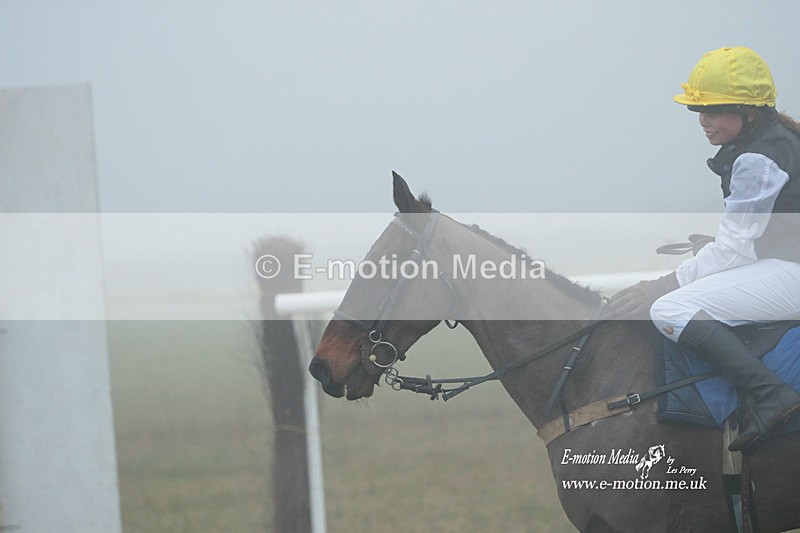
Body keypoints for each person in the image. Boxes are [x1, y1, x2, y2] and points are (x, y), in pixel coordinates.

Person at [608, 46, 800, 453]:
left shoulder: (758, 157)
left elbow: (733, 252)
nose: (704, 121)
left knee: (669, 309)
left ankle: (771, 396)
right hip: (785, 263)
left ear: (747, 111)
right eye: (699, 111)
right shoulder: (772, 140)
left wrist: (658, 286)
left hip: (792, 273)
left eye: (714, 110)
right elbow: (751, 237)